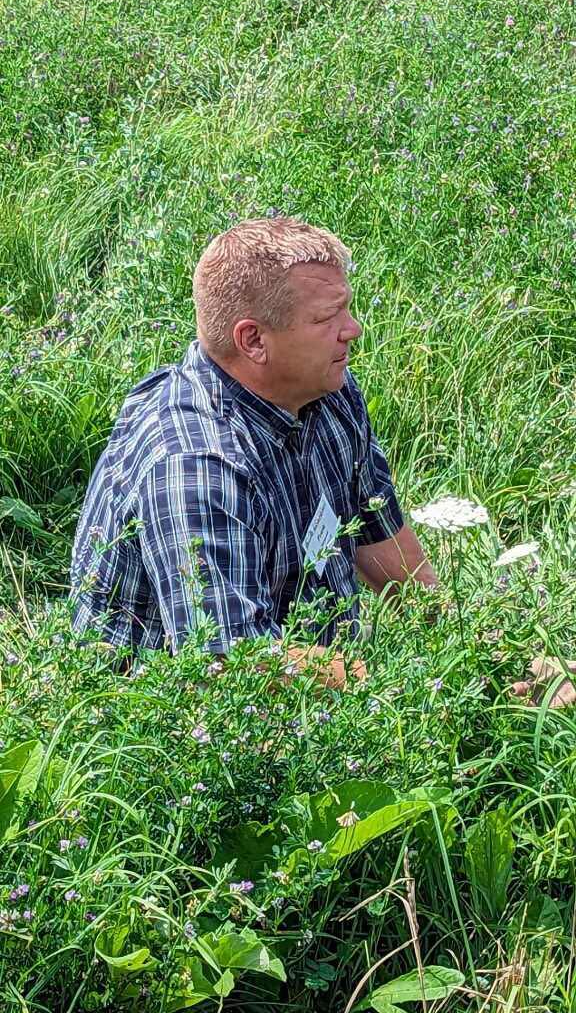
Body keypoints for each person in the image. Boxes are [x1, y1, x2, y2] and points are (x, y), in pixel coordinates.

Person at [70, 216, 438, 684]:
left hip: (312, 677)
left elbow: (378, 532)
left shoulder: (328, 391)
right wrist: (411, 681)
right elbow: (228, 665)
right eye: (327, 318)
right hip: (174, 721)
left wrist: (476, 656)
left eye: (346, 309)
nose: (353, 329)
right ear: (253, 341)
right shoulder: (197, 466)